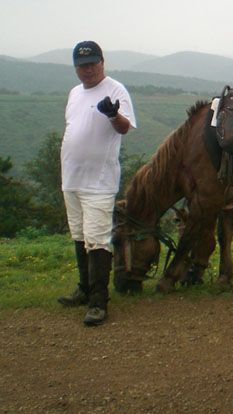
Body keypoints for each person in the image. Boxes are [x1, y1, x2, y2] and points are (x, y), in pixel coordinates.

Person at [58, 41, 136, 325]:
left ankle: (98, 302)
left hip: (98, 181)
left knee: (97, 240)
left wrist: (113, 114)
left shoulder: (115, 89)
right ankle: (84, 288)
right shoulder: (75, 93)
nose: (87, 70)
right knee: (79, 236)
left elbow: (125, 127)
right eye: (82, 65)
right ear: (75, 68)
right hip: (72, 178)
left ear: (102, 62)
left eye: (92, 63)